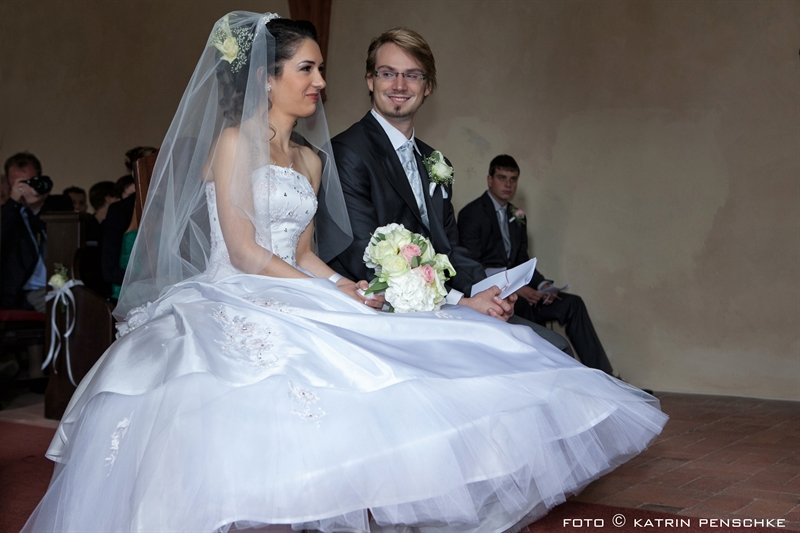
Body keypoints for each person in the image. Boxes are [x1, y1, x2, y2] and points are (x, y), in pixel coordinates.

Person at [22, 13, 665, 533]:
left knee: (414, 350)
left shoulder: (307, 160)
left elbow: (304, 255)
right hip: (234, 294)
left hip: (293, 283)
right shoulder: (230, 145)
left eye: (321, 69)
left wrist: (347, 289)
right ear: (267, 79)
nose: (320, 82)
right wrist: (326, 294)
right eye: (308, 68)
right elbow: (246, 254)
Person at [324, 28, 574, 354]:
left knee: (554, 349)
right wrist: (463, 301)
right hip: (382, 310)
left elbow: (449, 248)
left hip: (437, 303)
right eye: (388, 73)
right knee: (532, 356)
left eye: (412, 75)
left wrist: (490, 291)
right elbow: (364, 256)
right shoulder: (347, 152)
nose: (399, 86)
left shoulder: (435, 162)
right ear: (370, 80)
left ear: (428, 87)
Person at [458, 155, 616, 375]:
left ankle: (606, 378)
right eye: (502, 177)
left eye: (513, 179)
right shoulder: (471, 213)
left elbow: (523, 260)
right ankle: (547, 378)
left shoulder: (517, 215)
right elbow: (470, 265)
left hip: (523, 291)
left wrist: (542, 287)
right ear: (489, 180)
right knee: (522, 306)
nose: (508, 184)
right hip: (496, 295)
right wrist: (517, 288)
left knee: (573, 304)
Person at [1, 153, 71, 311]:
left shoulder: (58, 205)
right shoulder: (7, 214)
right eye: (19, 183)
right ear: (8, 183)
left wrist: (36, 207)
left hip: (62, 283)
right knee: (62, 306)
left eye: (30, 181)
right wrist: (13, 203)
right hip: (26, 292)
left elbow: (65, 235)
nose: (26, 188)